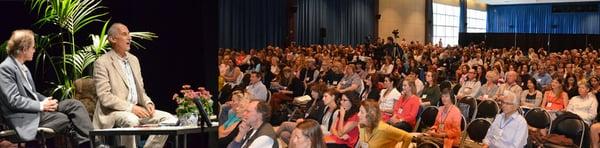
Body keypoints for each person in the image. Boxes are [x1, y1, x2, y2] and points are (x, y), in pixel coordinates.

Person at [0, 29, 93, 147]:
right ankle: (90, 144)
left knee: (75, 105)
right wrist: (41, 106)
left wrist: (47, 101)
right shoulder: (5, 69)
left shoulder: (23, 68)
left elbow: (33, 93)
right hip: (24, 117)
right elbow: (13, 100)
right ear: (24, 49)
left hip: (37, 111)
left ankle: (91, 143)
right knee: (65, 119)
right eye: (33, 47)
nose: (34, 50)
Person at [93, 23, 176, 148]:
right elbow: (105, 97)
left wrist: (148, 103)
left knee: (170, 119)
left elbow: (140, 91)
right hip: (113, 113)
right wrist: (131, 108)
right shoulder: (102, 62)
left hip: (137, 111)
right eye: (124, 34)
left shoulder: (134, 60)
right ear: (112, 39)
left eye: (129, 34)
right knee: (131, 120)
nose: (129, 37)